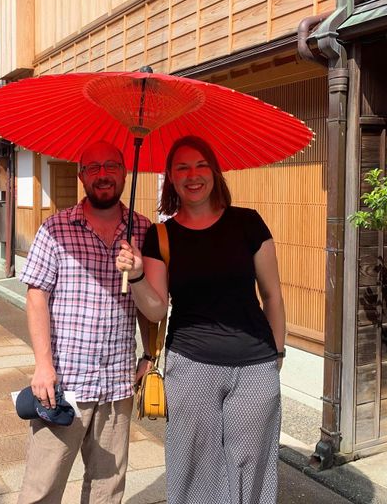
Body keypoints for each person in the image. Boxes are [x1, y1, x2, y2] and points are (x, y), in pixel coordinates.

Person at [115, 135, 286, 504]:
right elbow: (157, 309)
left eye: (200, 165)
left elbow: (272, 295)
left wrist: (278, 354)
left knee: (252, 465)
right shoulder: (161, 235)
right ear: (171, 179)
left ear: (214, 172)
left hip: (256, 365)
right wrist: (140, 272)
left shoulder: (248, 223)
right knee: (194, 469)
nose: (192, 175)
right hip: (191, 365)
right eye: (182, 168)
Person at [17, 141, 153, 504]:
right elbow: (36, 296)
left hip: (117, 384)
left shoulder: (142, 230)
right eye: (93, 168)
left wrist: (150, 352)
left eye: (111, 166)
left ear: (125, 173)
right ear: (81, 176)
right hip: (65, 383)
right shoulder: (56, 228)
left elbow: (150, 303)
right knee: (42, 487)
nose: (103, 174)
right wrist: (43, 366)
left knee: (108, 488)